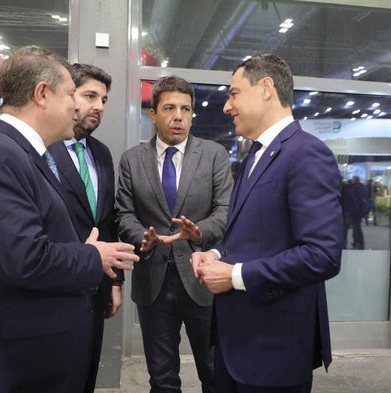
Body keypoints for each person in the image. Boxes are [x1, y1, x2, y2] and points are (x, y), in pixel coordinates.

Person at [0, 46, 139, 393]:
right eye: (71, 94)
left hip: (29, 355)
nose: (78, 106)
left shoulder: (24, 155)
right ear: (42, 94)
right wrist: (93, 256)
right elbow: (25, 259)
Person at [191, 54, 343, 393]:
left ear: (265, 89)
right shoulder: (253, 157)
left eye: (233, 93)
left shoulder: (306, 154)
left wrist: (234, 275)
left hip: (273, 350)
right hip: (236, 345)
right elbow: (254, 234)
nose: (226, 107)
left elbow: (322, 255)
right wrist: (216, 255)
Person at [115, 75, 233, 393]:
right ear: (153, 114)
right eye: (169, 108)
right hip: (152, 281)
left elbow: (224, 211)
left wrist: (198, 233)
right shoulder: (132, 160)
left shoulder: (214, 155)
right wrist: (143, 238)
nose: (178, 116)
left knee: (215, 373)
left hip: (202, 278)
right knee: (162, 379)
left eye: (185, 108)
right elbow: (124, 213)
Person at [48, 63, 122, 393]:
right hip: (53, 289)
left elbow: (105, 223)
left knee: (85, 375)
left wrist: (114, 281)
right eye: (90, 96)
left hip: (95, 288)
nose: (99, 107)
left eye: (104, 100)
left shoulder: (102, 154)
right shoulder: (41, 152)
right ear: (66, 95)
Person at [342, 175, 367, 249]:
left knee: (350, 228)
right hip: (358, 212)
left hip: (353, 211)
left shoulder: (354, 188)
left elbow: (352, 200)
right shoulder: (362, 187)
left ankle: (356, 243)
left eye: (352, 180)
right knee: (356, 227)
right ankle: (358, 243)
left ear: (355, 180)